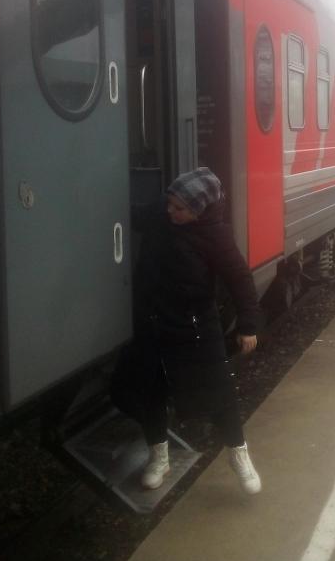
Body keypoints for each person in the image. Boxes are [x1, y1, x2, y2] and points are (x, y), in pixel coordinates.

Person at [111, 167, 262, 494]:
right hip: (152, 323)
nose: (170, 212)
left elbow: (241, 281)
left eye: (179, 209)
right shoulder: (161, 216)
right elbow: (133, 216)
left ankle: (239, 455)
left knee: (220, 394)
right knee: (152, 391)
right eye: (170, 204)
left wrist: (248, 326)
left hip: (195, 328)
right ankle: (159, 457)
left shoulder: (216, 236)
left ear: (199, 210)